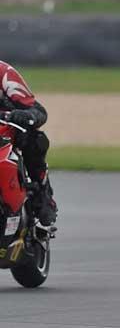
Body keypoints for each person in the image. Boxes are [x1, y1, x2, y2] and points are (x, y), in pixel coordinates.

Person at [0, 61, 57, 226]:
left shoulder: (5, 73)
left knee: (34, 139)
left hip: (6, 133)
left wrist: (24, 116)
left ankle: (42, 192)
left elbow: (38, 111)